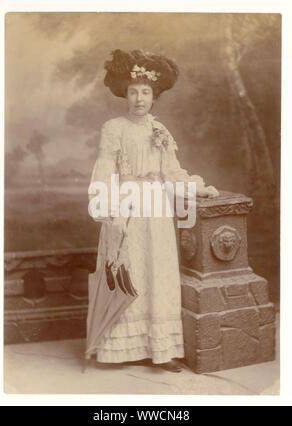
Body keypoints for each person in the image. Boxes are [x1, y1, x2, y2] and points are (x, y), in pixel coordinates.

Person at [86, 49, 219, 373]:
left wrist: (196, 187)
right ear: (124, 94)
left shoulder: (160, 130)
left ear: (154, 96)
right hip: (128, 203)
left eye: (145, 92)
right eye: (133, 92)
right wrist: (109, 208)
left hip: (157, 206)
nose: (139, 98)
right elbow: (104, 168)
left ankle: (161, 349)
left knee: (158, 272)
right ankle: (120, 348)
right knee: (129, 270)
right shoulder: (114, 127)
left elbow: (172, 171)